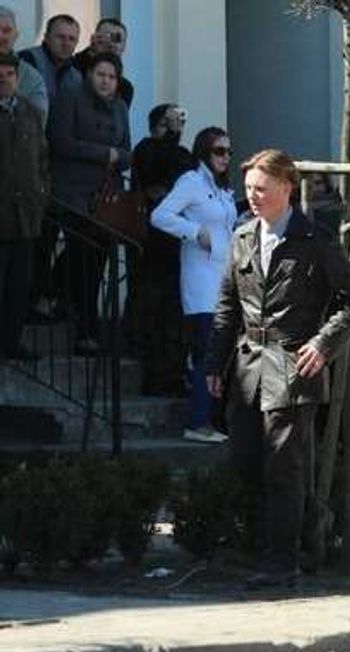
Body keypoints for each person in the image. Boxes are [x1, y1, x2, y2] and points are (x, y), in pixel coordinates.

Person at [205, 149, 350, 589]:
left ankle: (284, 560)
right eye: (249, 188)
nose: (252, 196)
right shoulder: (242, 237)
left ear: (286, 189)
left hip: (293, 365)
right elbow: (226, 307)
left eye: (262, 188)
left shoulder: (314, 240)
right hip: (246, 367)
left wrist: (323, 344)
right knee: (245, 461)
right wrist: (214, 364)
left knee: (285, 468)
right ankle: (276, 543)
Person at [151, 127, 237, 444]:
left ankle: (211, 419)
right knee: (207, 353)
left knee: (219, 355)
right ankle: (197, 421)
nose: (225, 157)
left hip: (224, 280)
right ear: (204, 152)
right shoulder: (192, 182)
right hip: (201, 282)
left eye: (228, 151)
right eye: (219, 151)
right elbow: (160, 216)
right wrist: (194, 231)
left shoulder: (222, 189)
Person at [47, 50, 131, 354]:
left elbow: (126, 152)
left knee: (97, 261)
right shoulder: (70, 98)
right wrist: (102, 154)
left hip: (105, 197)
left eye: (112, 77)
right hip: (73, 194)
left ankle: (74, 312)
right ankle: (84, 327)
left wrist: (116, 157)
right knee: (82, 257)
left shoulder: (120, 107)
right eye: (101, 75)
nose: (106, 81)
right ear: (89, 75)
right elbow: (60, 141)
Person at [130, 102, 194, 394]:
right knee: (154, 309)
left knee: (175, 313)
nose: (179, 123)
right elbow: (159, 173)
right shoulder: (147, 149)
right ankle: (155, 374)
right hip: (154, 243)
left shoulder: (182, 154)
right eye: (173, 118)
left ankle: (173, 372)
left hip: (179, 244)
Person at [0, 51, 48, 360]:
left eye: (9, 75)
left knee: (18, 286)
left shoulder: (29, 112)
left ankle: (11, 342)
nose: (4, 81)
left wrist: (41, 195)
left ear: (18, 78)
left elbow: (43, 159)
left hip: (25, 216)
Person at [18, 13, 81, 106]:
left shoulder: (76, 75)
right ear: (47, 38)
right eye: (61, 37)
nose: (66, 43)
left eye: (72, 39)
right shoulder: (27, 60)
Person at [0, 6, 47, 122]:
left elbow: (38, 123)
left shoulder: (32, 78)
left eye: (6, 31)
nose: (0, 36)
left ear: (16, 36)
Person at [73, 18, 132, 108]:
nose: (111, 43)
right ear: (95, 38)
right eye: (106, 36)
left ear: (124, 46)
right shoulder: (75, 67)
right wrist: (91, 50)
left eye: (117, 38)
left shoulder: (125, 88)